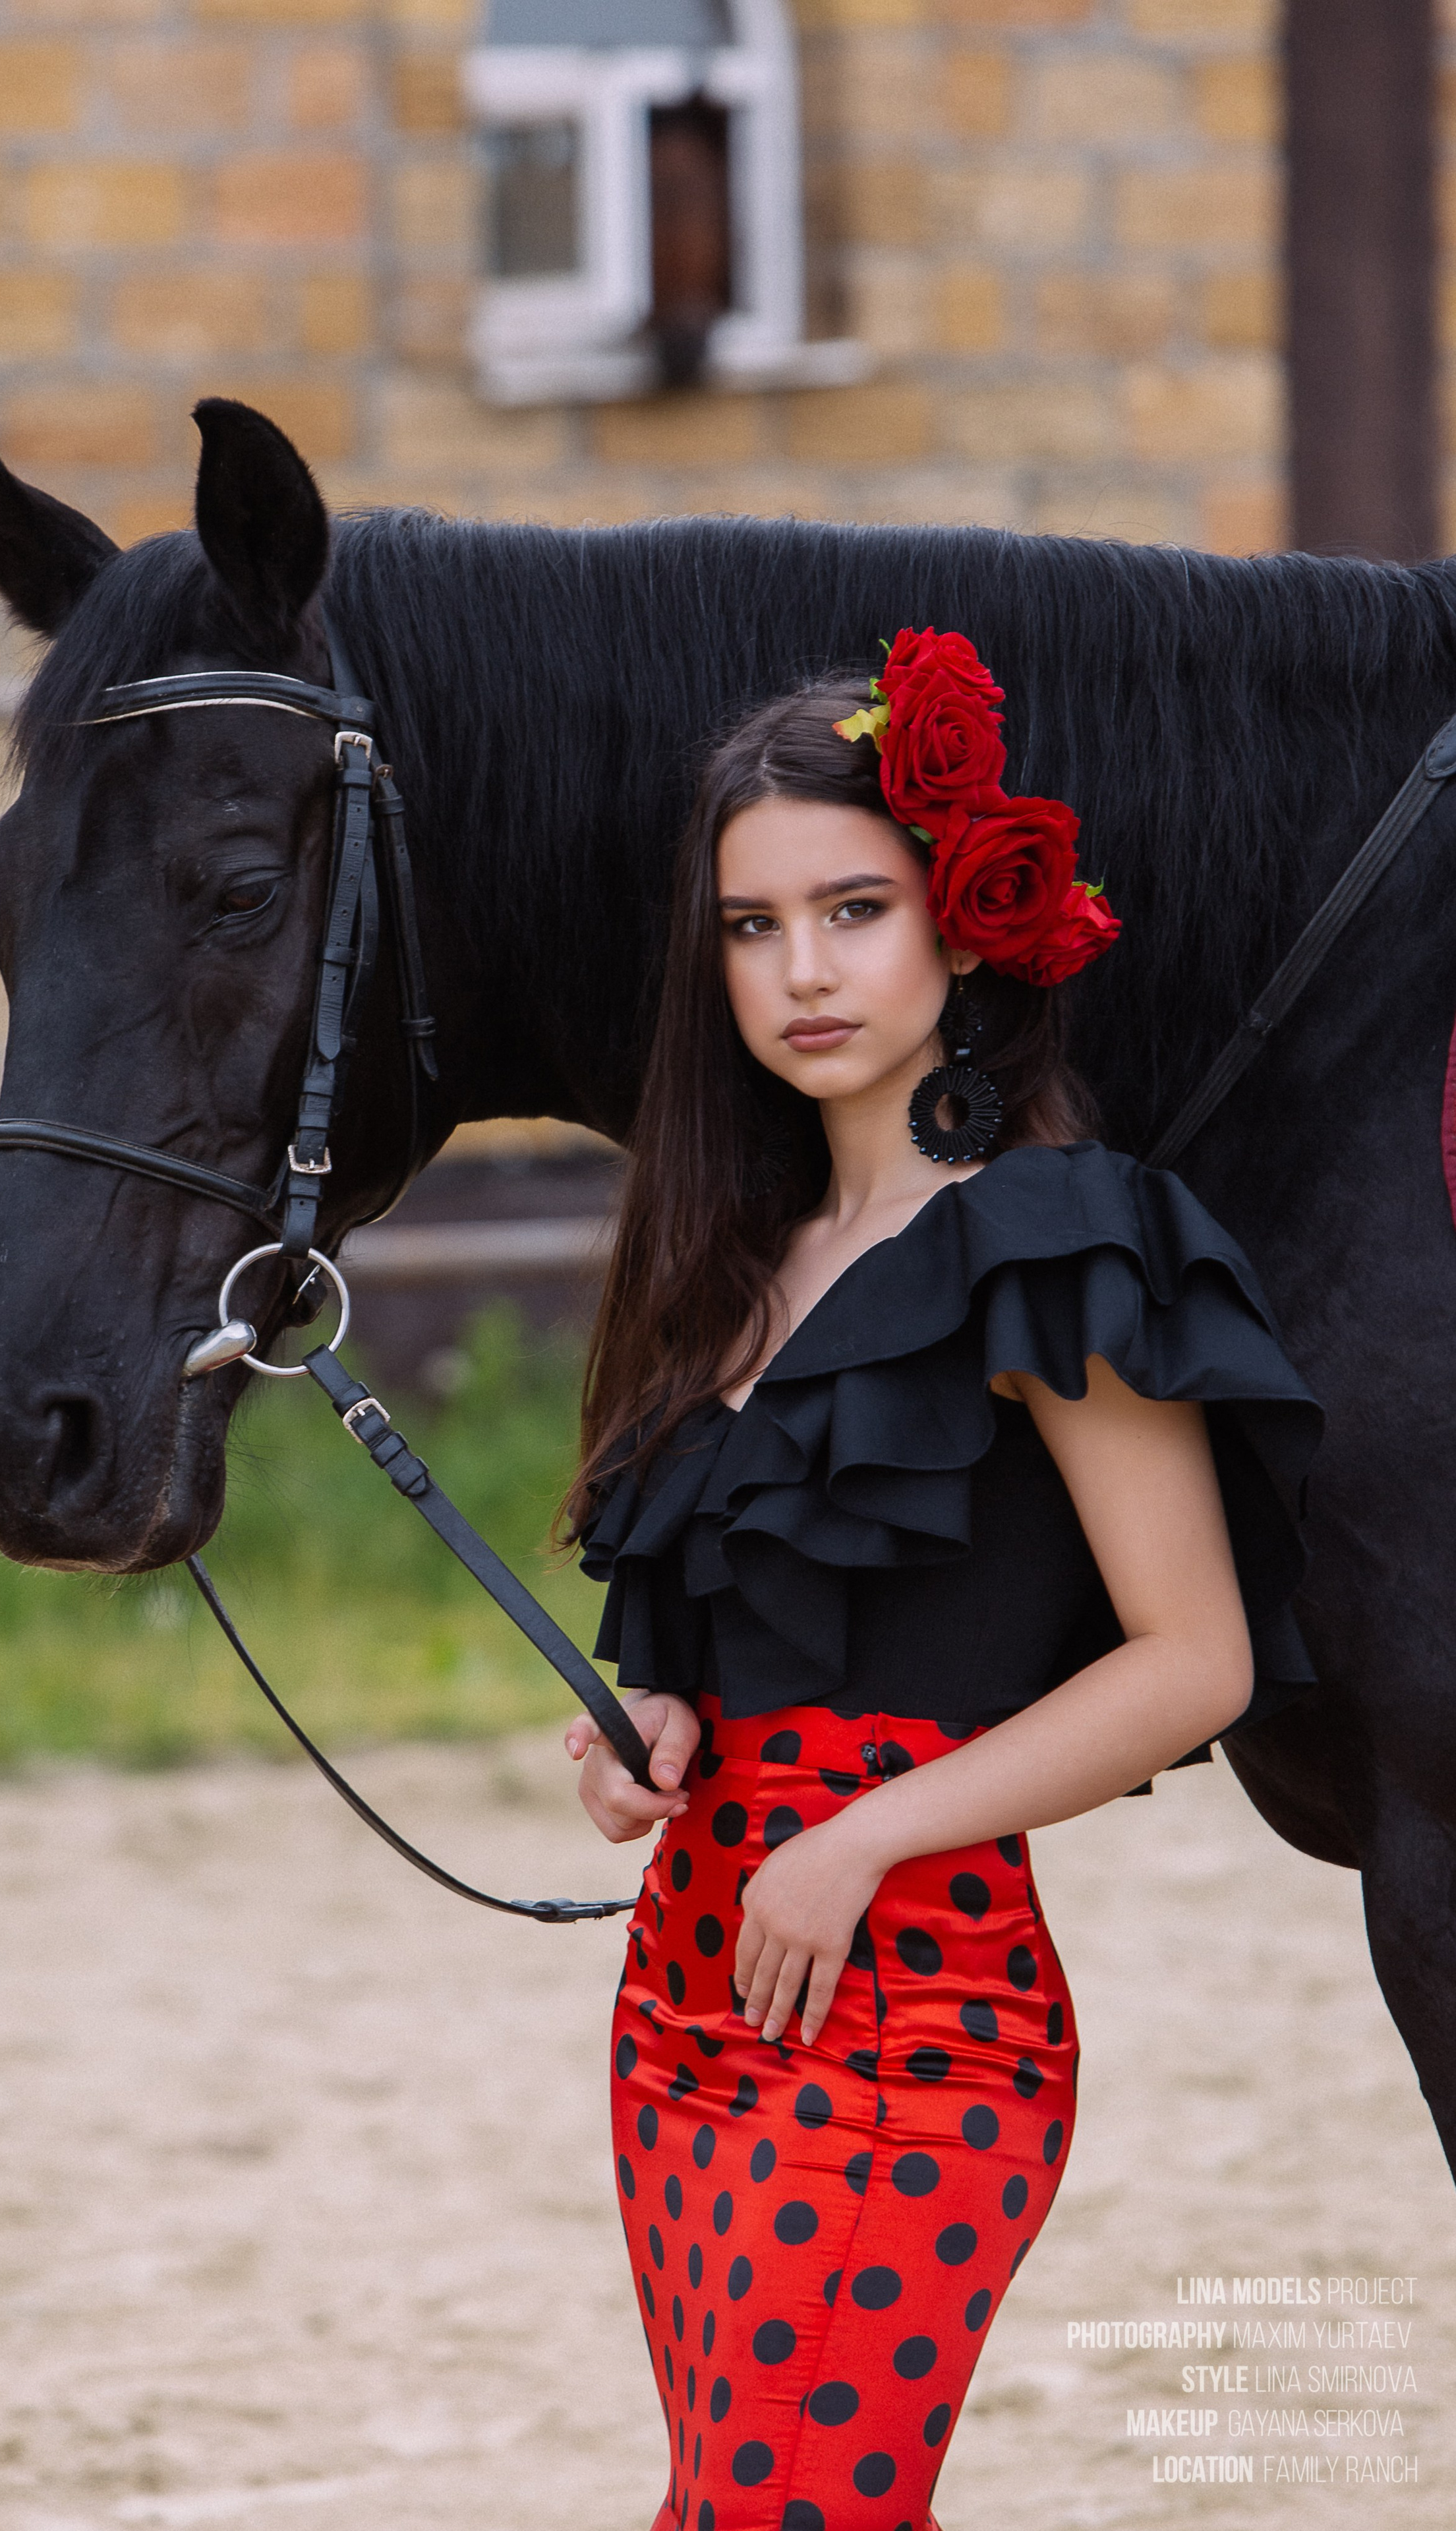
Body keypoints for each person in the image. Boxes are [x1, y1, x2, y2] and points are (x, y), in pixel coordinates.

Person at [559, 632, 1322, 2531]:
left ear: (966, 930)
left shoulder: (1061, 1239)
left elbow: (1195, 1659)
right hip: (691, 1992)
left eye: (853, 910)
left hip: (920, 1993)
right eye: (752, 928)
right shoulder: (728, 1263)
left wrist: (860, 1838)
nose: (802, 972)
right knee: (726, 2497)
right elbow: (721, 1646)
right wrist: (649, 1729)